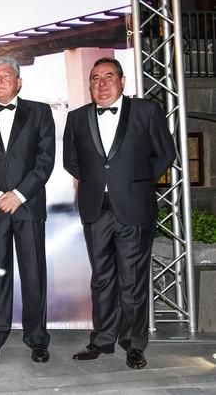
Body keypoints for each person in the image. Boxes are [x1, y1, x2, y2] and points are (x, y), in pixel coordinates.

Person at [63, 57, 175, 369]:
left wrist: (137, 181)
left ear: (122, 81)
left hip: (135, 207)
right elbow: (71, 161)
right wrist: (99, 181)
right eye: (95, 78)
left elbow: (166, 152)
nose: (101, 83)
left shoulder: (146, 111)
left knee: (133, 280)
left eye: (108, 76)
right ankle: (102, 341)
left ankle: (134, 344)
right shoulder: (77, 118)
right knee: (101, 279)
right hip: (95, 208)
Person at [0, 56, 55, 363]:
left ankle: (37, 338)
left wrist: (18, 194)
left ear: (18, 82)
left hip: (28, 208)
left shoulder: (40, 112)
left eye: (5, 76)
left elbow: (45, 160)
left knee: (33, 274)